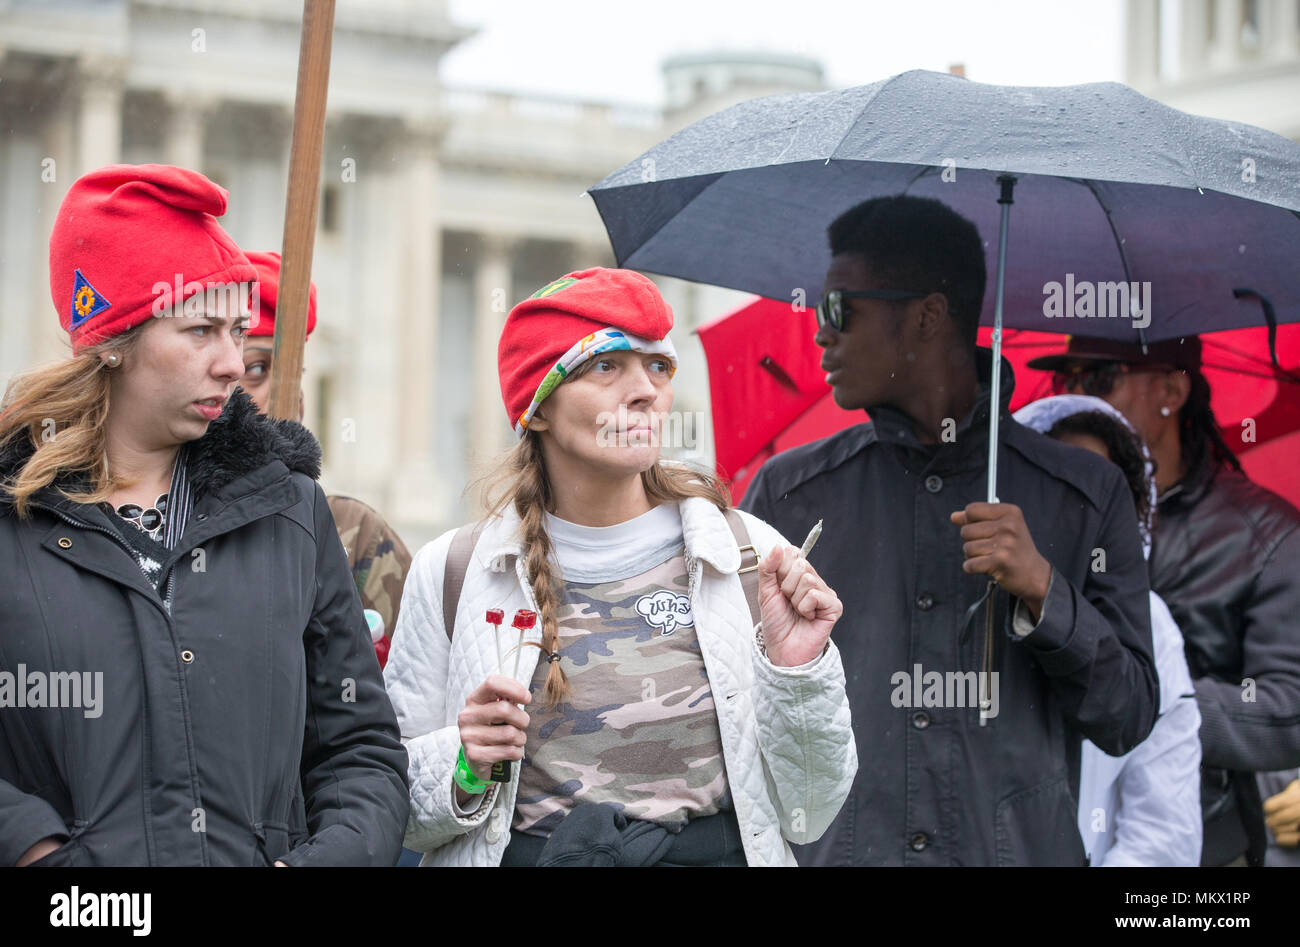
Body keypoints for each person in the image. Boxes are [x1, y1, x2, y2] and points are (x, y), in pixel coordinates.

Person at [0, 164, 408, 866]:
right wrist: (42, 856)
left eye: (238, 330)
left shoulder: (289, 511)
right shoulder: (13, 518)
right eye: (200, 330)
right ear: (114, 340)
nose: (231, 363)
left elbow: (360, 751)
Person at [383, 267, 856, 866]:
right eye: (606, 366)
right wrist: (464, 764)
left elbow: (810, 808)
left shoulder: (747, 554)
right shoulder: (454, 571)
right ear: (538, 407)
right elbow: (393, 802)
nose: (647, 391)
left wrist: (799, 674)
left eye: (658, 366)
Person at [741, 195, 1158, 866]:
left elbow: (1128, 717)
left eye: (840, 310)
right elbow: (735, 712)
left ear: (929, 316)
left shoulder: (1083, 495)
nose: (821, 335)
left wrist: (1047, 596)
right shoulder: (790, 494)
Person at [1031, 333, 1300, 866]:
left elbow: (1289, 712)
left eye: (1101, 378)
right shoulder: (1039, 520)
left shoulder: (1268, 534)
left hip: (1209, 844)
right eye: (1069, 379)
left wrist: (1142, 691)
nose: (1082, 392)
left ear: (1172, 391)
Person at [1015, 394, 1202, 866]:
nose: (1078, 506)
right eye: (1059, 483)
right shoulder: (967, 601)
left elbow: (1163, 835)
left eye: (1098, 492)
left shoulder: (1151, 626)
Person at [238, 250, 411, 663]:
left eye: (289, 371)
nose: (288, 394)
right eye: (255, 369)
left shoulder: (354, 533)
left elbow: (409, 701)